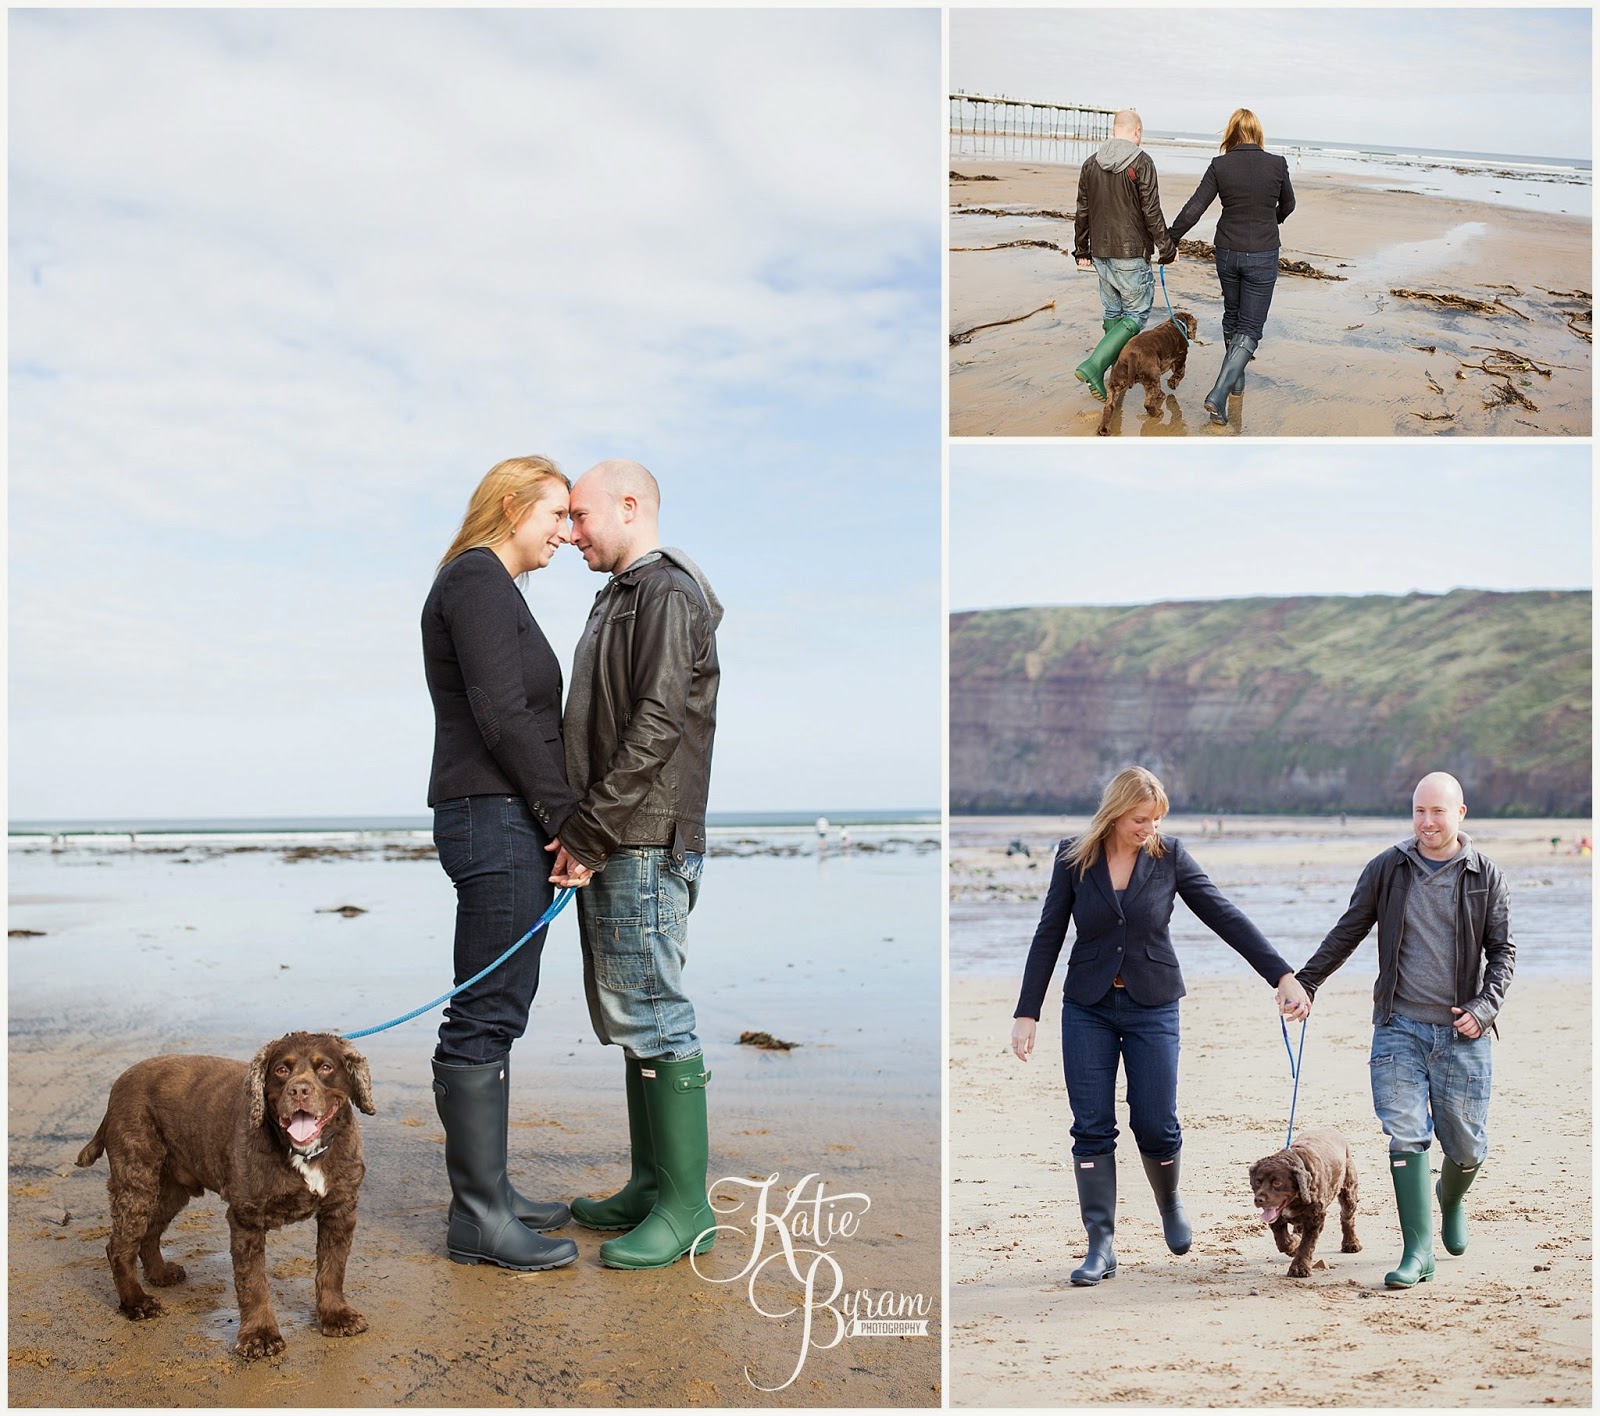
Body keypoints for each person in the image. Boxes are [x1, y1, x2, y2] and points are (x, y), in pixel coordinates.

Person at [1010, 767, 1309, 1286]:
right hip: (1088, 1007)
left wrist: (1281, 975)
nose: (1149, 827)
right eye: (1139, 819)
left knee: (1155, 1121)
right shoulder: (1073, 857)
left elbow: (1224, 914)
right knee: (1091, 1126)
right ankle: (1100, 1244)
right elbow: (1048, 934)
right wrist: (1026, 1011)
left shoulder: (1169, 856)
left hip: (1154, 1007)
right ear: (1114, 812)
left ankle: (1168, 1202)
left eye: (1155, 819)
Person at [547, 459, 723, 1270]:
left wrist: (591, 831)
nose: (569, 531)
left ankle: (688, 1210)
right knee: (630, 1016)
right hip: (624, 833)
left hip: (641, 835)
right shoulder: (621, 592)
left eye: (580, 515)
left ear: (630, 505)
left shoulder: (665, 592)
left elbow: (656, 723)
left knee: (655, 1012)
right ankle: (652, 1186)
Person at [420, 455, 591, 1273]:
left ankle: (491, 1193)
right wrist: (567, 821)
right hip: (493, 818)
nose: (567, 531)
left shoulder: (489, 586)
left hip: (500, 816)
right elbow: (501, 716)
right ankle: (479, 1219)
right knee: (486, 1012)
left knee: (502, 1006)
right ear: (513, 505)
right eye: (557, 514)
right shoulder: (478, 581)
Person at [1295, 772, 1514, 1290]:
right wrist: (1306, 982)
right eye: (1419, 811)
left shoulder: (1486, 876)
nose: (1427, 822)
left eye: (1439, 812)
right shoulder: (1388, 869)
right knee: (1406, 1134)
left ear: (1461, 813)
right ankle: (1418, 1251)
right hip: (1398, 1026)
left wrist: (1484, 1008)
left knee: (1464, 1145)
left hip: (1463, 1033)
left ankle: (1451, 1197)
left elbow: (1503, 954)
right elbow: (1349, 929)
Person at [1167, 108, 1295, 423]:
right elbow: (1289, 204)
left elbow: (1195, 207)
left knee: (1233, 316)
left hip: (1227, 251)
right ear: (1258, 134)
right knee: (1250, 327)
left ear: (1232, 134)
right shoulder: (1276, 164)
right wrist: (1271, 218)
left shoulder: (1220, 165)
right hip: (1262, 252)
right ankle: (1220, 392)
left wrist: (1169, 239)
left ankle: (1236, 381)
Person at [1072, 108, 1179, 403]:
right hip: (1130, 255)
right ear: (1137, 133)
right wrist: (1167, 249)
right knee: (1135, 314)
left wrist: (1082, 250)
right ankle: (1095, 366)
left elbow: (1082, 211)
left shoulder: (1090, 164)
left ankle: (1111, 378)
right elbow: (1151, 212)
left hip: (1101, 253)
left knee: (1113, 313)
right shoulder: (1141, 161)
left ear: (1113, 130)